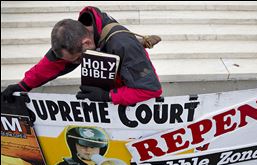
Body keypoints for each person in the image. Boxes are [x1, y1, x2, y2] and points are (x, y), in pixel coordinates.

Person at [2, 6, 162, 106]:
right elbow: (53, 63)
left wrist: (107, 96)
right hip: (111, 90)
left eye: (78, 59)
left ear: (86, 43)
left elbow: (150, 90)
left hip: (131, 94)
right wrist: (24, 85)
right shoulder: (78, 34)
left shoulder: (123, 45)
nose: (80, 63)